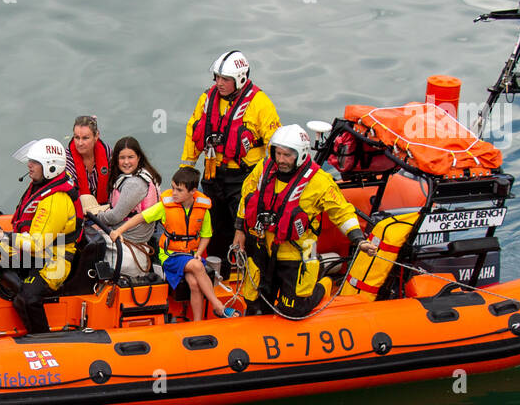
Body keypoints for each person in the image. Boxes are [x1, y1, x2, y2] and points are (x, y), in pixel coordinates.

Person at [232, 124, 376, 317]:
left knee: (294, 310)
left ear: (300, 154)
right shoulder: (264, 169)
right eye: (278, 153)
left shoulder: (320, 181)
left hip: (298, 252)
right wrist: (239, 230)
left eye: (287, 155)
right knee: (254, 303)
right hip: (261, 247)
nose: (281, 160)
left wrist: (359, 239)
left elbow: (342, 212)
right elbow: (246, 196)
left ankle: (325, 284)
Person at [181, 50, 282, 262]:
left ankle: (250, 269)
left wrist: (271, 180)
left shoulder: (260, 104)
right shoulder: (207, 99)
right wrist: (187, 168)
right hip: (213, 175)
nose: (219, 83)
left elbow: (275, 144)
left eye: (225, 79)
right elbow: (194, 131)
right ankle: (219, 271)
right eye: (217, 78)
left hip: (245, 178)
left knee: (247, 227)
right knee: (214, 226)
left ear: (240, 79)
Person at [0, 138, 82, 334]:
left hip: (56, 259)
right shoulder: (45, 185)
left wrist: (5, 236)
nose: (29, 165)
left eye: (35, 162)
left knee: (27, 298)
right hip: (39, 250)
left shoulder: (56, 201)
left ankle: (42, 338)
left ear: (51, 167)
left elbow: (37, 244)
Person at [108, 166, 230, 320]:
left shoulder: (202, 210)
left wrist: (199, 253)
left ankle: (197, 323)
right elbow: (141, 217)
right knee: (198, 266)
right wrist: (119, 231)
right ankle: (218, 306)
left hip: (190, 255)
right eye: (173, 188)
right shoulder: (165, 207)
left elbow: (206, 235)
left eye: (179, 190)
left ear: (192, 191)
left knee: (194, 283)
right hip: (170, 256)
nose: (174, 193)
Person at [84, 136, 162, 279]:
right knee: (88, 208)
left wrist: (93, 216)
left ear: (139, 157)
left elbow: (115, 217)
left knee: (83, 237)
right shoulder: (144, 175)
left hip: (129, 237)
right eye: (122, 158)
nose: (126, 162)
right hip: (133, 232)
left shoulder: (135, 184)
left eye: (130, 157)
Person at [66, 114, 110, 207]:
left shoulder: (106, 151)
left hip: (106, 208)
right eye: (77, 137)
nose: (80, 143)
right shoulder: (66, 160)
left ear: (96, 136)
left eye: (85, 138)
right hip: (81, 211)